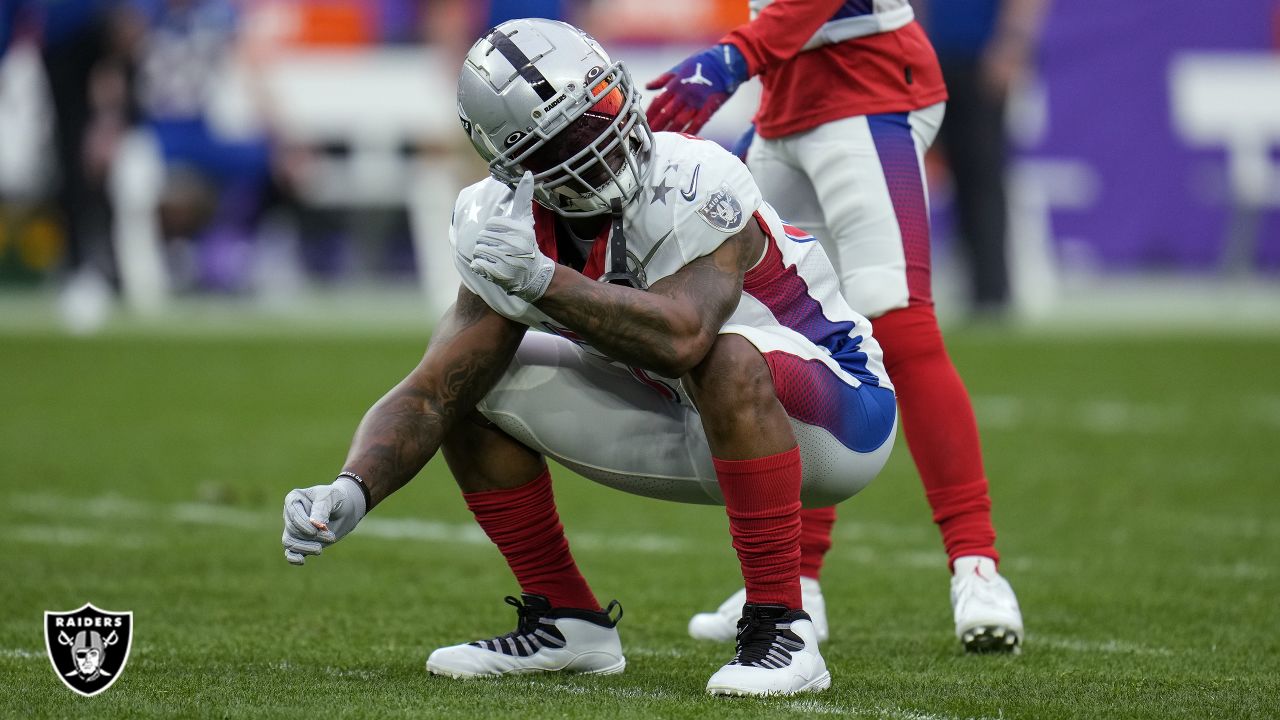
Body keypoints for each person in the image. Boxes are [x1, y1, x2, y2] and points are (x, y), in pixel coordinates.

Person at [281, 18, 899, 697]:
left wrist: (544, 282)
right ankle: (567, 622)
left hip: (834, 415)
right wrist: (352, 485)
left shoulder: (696, 176)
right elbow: (434, 390)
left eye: (602, 110)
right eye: (572, 136)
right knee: (475, 384)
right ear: (517, 162)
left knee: (727, 357)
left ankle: (783, 625)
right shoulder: (497, 223)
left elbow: (683, 338)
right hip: (685, 411)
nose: (603, 139)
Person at [646, 0, 1024, 653]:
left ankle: (977, 565)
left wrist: (735, 55)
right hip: (785, 103)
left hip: (864, 89)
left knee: (902, 327)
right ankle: (797, 582)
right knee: (781, 336)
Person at [921, 0, 1047, 315]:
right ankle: (966, 286)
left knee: (982, 177)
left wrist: (1012, 45)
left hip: (982, 59)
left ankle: (991, 292)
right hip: (932, 59)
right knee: (939, 178)